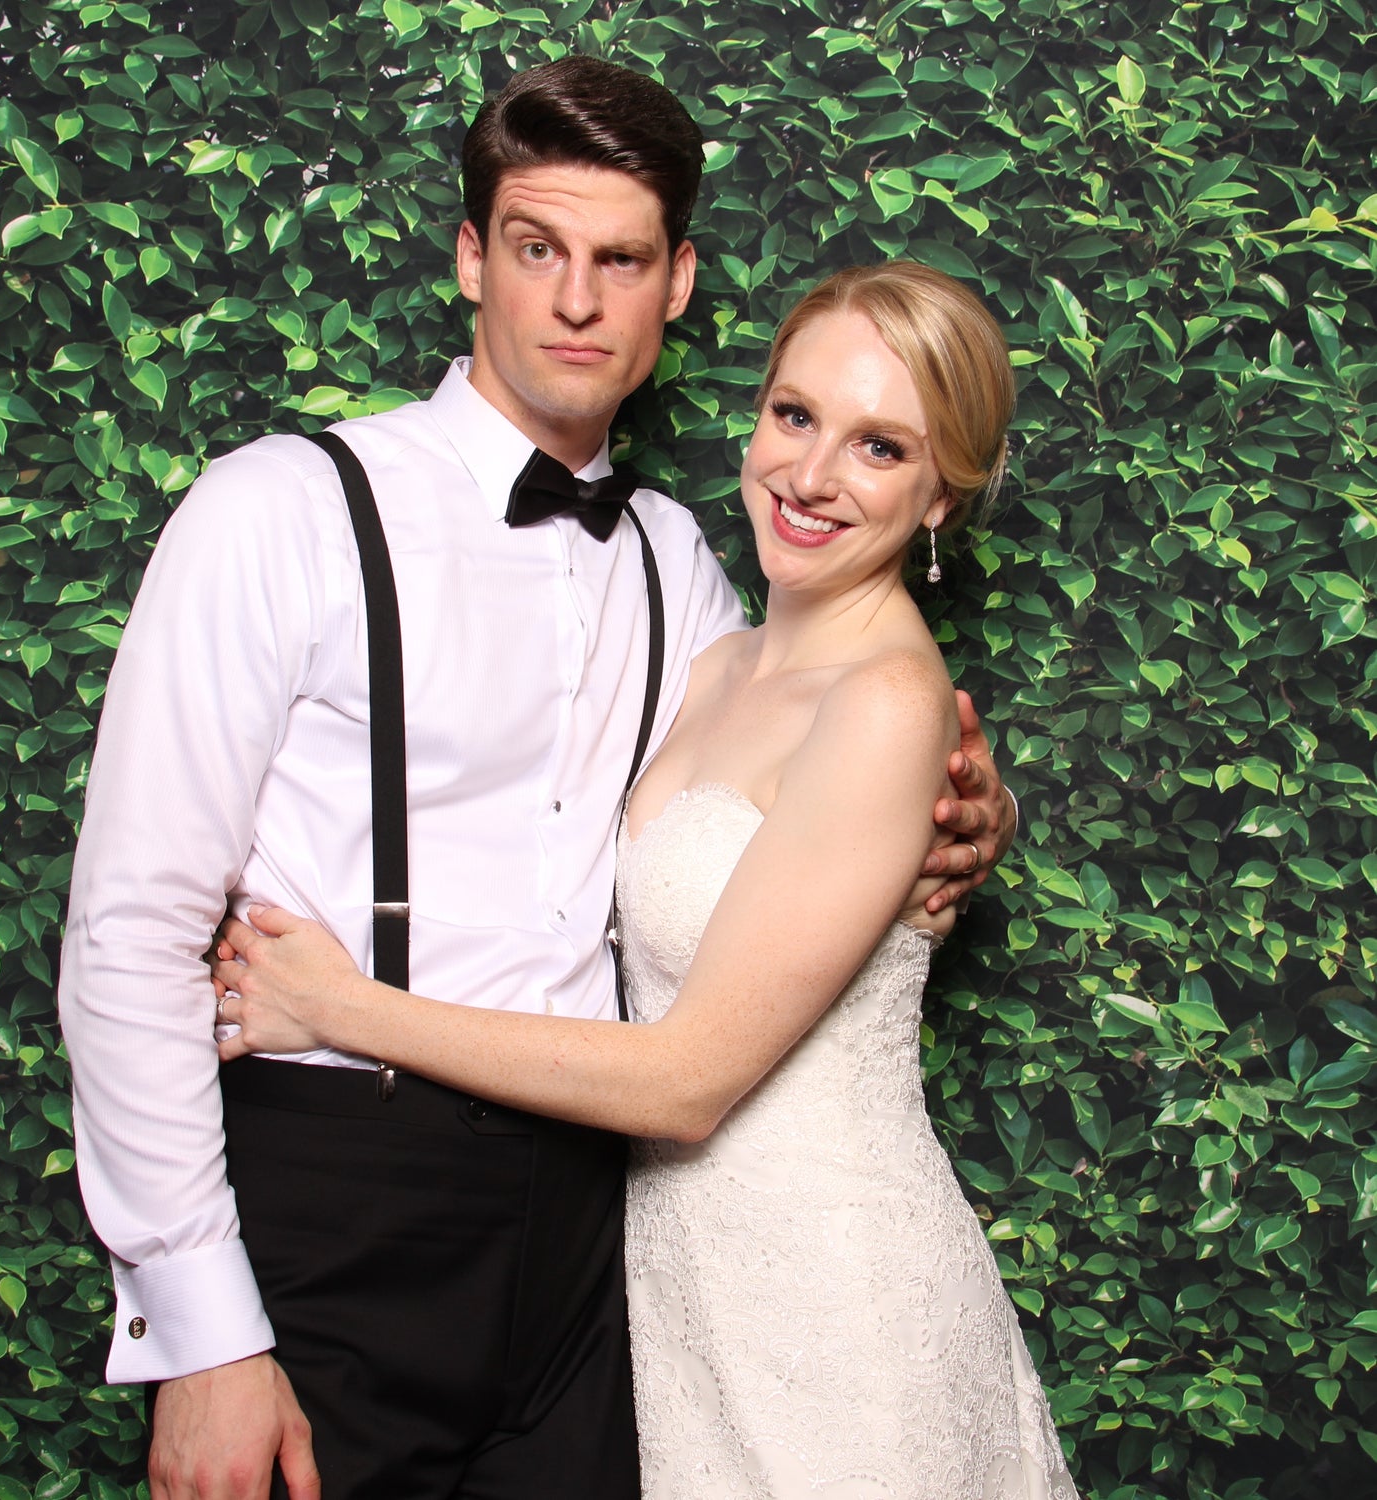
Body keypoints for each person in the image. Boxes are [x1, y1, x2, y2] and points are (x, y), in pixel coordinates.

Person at [58, 56, 1015, 1500]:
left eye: (620, 259)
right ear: (470, 258)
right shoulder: (279, 512)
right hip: (342, 1198)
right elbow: (128, 931)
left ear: (677, 286)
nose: (577, 301)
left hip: (591, 1253)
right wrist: (198, 1334)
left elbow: (821, 759)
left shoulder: (684, 571)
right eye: (536, 249)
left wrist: (960, 808)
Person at [209, 262, 1077, 1498]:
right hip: (681, 1310)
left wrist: (343, 1007)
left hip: (836, 1314)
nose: (813, 475)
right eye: (795, 415)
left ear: (943, 495)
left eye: (880, 448)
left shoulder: (890, 700)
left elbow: (684, 1084)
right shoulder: (719, 654)